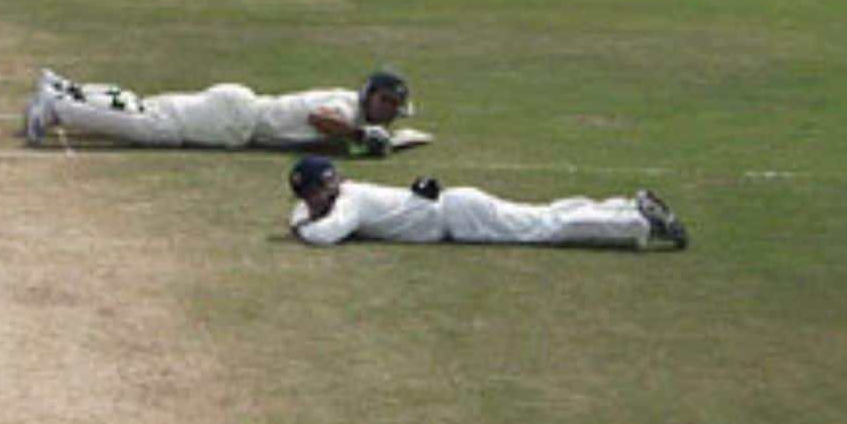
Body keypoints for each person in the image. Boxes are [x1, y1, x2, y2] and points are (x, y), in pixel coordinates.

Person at [285, 154, 689, 250]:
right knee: (544, 214)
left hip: (459, 217)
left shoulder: (348, 205)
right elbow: (317, 216)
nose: (313, 200)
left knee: (544, 228)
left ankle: (637, 222)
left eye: (316, 192)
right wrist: (304, 215)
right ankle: (623, 207)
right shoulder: (347, 196)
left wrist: (301, 225)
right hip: (458, 208)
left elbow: (325, 235)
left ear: (330, 186)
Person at [24, 68, 420, 157]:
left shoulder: (356, 114)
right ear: (369, 94)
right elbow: (322, 120)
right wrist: (360, 137)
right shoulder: (345, 106)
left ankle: (64, 90)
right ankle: (58, 107)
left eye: (396, 108)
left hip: (235, 111)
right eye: (387, 102)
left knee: (144, 108)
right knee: (154, 128)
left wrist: (380, 140)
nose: (391, 112)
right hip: (236, 120)